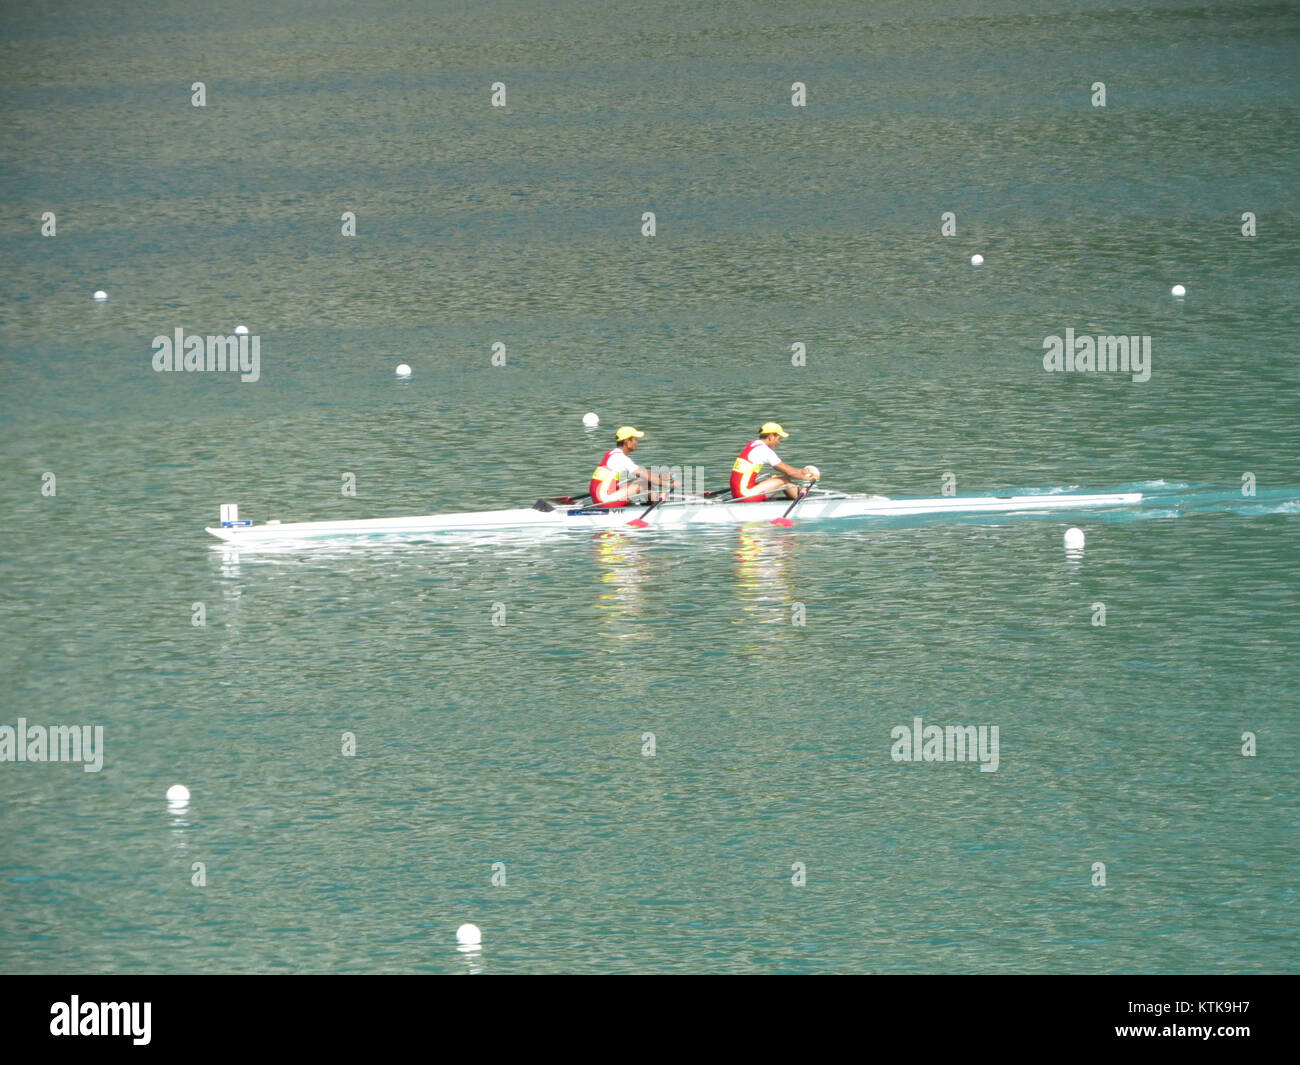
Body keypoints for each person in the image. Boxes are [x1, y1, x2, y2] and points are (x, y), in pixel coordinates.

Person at [730, 422, 819, 501]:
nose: (778, 442)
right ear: (771, 437)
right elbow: (789, 472)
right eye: (778, 438)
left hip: (737, 493)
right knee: (784, 480)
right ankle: (801, 499)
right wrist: (810, 478)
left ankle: (798, 496)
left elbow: (788, 470)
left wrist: (800, 472)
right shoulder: (763, 450)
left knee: (778, 478)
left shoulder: (753, 444)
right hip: (745, 495)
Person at [590, 426, 676, 508]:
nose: (637, 442)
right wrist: (667, 483)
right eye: (635, 439)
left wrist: (663, 478)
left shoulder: (611, 454)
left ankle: (654, 502)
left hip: (599, 499)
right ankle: (659, 504)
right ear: (627, 442)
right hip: (605, 501)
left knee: (638, 482)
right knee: (644, 484)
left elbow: (645, 473)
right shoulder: (621, 458)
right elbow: (644, 474)